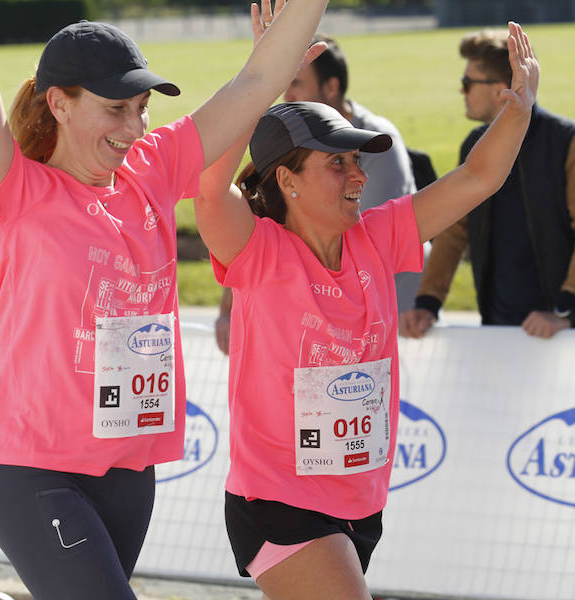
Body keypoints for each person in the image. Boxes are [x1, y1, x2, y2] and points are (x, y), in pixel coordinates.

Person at [0, 0, 327, 597]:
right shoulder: (16, 188)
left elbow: (257, 85)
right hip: (35, 471)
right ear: (59, 103)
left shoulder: (151, 171)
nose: (134, 127)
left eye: (142, 108)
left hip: (129, 469)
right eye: (114, 109)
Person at [193, 22, 537, 600]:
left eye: (357, 160)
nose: (359, 176)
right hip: (280, 504)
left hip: (360, 505)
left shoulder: (378, 238)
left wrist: (521, 107)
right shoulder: (259, 251)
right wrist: (264, 76)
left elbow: (479, 177)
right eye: (338, 165)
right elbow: (208, 187)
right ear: (287, 180)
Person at [214, 33, 419, 355]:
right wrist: (260, 78)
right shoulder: (291, 148)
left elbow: (362, 239)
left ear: (331, 88)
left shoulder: (380, 143)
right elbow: (247, 223)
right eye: (337, 161)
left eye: (295, 82)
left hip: (397, 318)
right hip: (327, 323)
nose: (287, 94)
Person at [401, 28, 575, 339]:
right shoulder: (473, 147)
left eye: (467, 84)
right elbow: (454, 229)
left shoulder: (565, 142)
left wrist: (565, 312)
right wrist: (428, 302)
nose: (461, 92)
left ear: (499, 91)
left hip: (559, 331)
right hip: (496, 325)